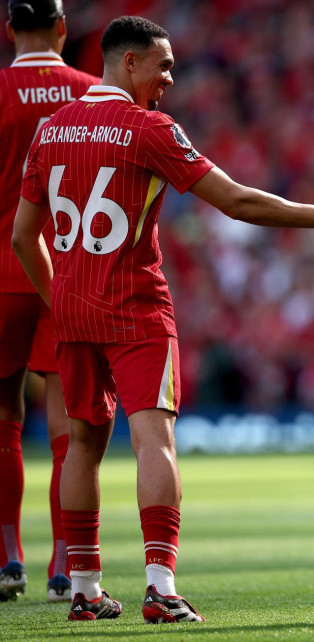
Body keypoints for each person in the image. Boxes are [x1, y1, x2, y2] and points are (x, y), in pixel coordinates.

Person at [12, 15, 314, 622]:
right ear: (130, 64)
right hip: (134, 306)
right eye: (164, 66)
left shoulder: (50, 130)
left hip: (73, 312)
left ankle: (83, 589)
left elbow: (24, 236)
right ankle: (159, 583)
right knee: (155, 437)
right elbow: (235, 201)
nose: (171, 78)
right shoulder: (149, 128)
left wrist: (59, 298)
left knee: (81, 444)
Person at [0, 0, 97, 604]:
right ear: (63, 27)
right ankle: (66, 565)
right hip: (68, 269)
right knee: (71, 427)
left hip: (3, 267)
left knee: (4, 418)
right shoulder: (93, 94)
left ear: (8, 27)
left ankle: (8, 555)